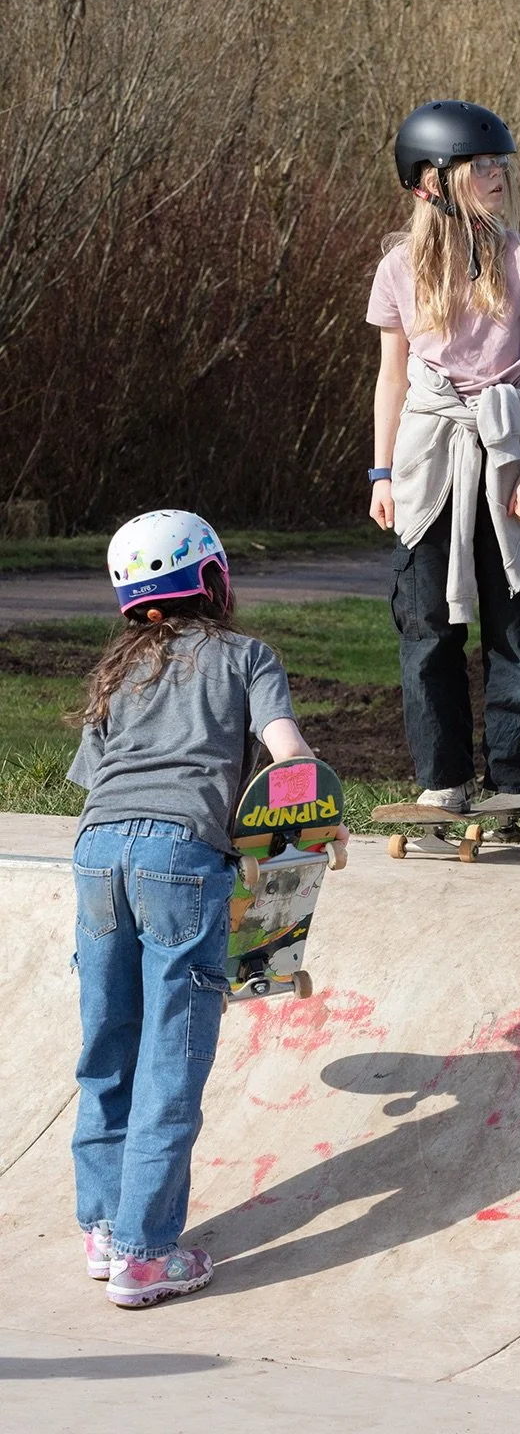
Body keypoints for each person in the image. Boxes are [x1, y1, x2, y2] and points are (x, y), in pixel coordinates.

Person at [68, 508, 344, 1307]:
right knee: (169, 1057)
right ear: (213, 581)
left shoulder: (116, 674)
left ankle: (102, 1226)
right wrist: (314, 817)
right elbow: (287, 752)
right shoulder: (247, 656)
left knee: (108, 1040)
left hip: (95, 854)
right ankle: (146, 1255)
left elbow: (96, 779)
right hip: (181, 861)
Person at [366, 99, 520, 862]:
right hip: (426, 459)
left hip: (505, 453)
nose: (498, 175)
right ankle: (442, 777)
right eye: (481, 164)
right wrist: (381, 470)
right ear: (432, 180)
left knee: (519, 629)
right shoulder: (397, 269)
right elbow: (390, 378)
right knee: (426, 629)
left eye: (501, 163)